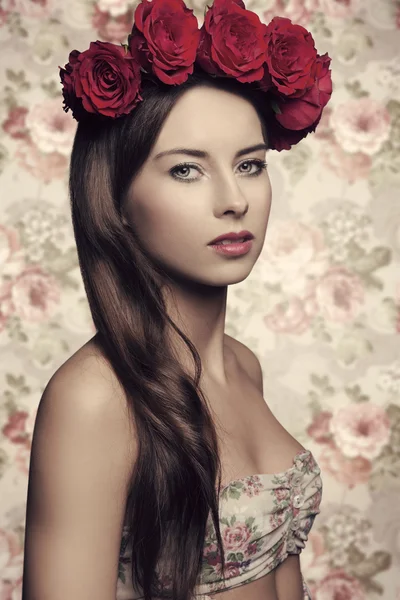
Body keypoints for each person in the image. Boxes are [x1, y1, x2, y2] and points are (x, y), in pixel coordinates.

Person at [22, 1, 331, 599]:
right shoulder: (94, 398)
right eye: (187, 171)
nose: (233, 199)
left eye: (249, 165)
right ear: (116, 199)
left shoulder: (243, 366)